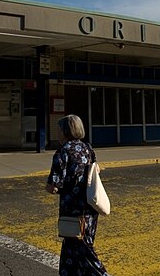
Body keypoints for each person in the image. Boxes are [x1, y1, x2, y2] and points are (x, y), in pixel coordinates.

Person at [46, 114, 110, 276]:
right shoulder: (87, 148)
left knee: (82, 249)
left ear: (66, 131)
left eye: (60, 130)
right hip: (90, 207)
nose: (58, 133)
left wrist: (52, 187)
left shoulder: (63, 152)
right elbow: (96, 170)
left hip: (73, 210)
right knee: (73, 247)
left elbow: (54, 185)